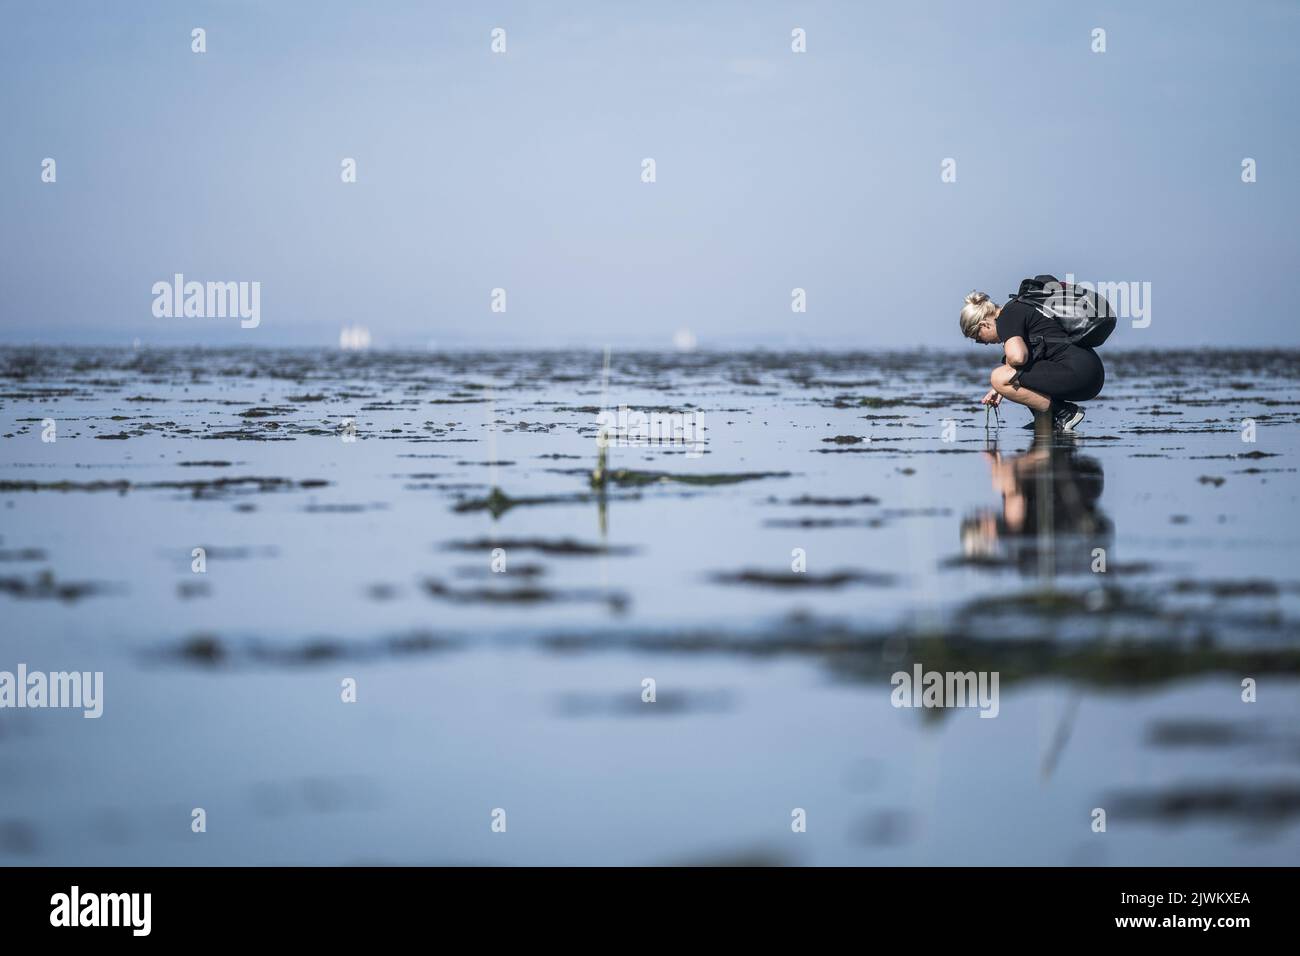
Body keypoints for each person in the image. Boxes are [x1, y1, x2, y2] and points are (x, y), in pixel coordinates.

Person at [959, 290, 1104, 431]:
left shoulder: (1006, 317)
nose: (983, 343)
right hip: (1090, 372)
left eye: (978, 338)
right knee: (1005, 374)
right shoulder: (1015, 310)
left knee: (997, 376)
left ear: (984, 325)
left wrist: (1001, 382)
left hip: (1080, 373)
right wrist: (1000, 389)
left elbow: (1018, 357)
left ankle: (1063, 413)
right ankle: (1046, 419)